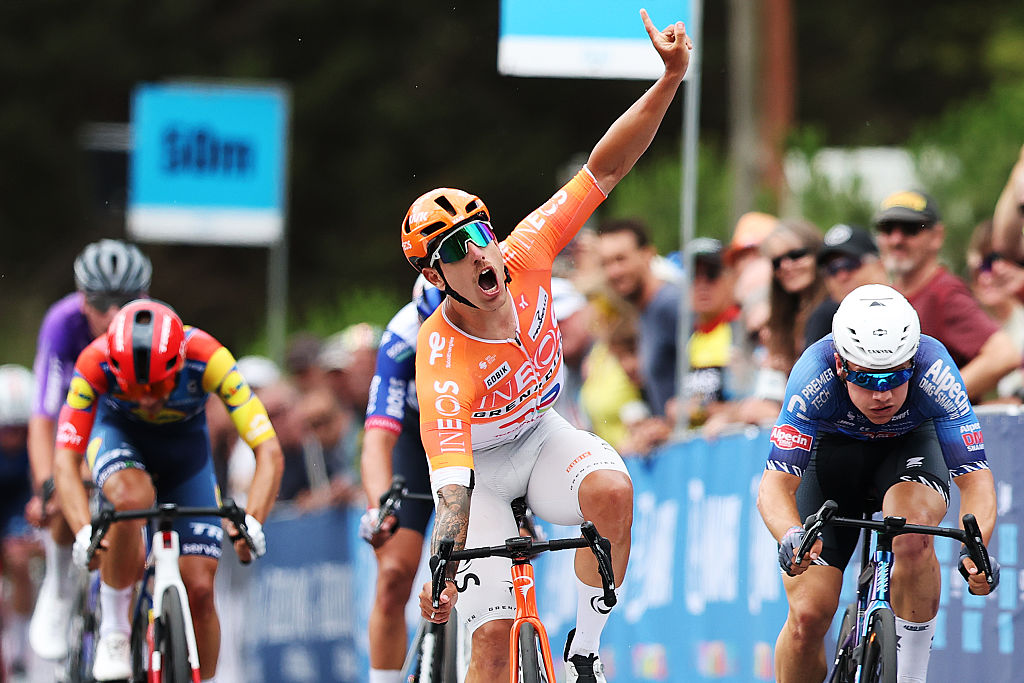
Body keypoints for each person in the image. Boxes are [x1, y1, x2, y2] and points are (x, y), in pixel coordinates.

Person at [402, 11, 692, 683]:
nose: (479, 254)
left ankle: (585, 647)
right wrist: (444, 566)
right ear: (434, 276)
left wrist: (671, 78)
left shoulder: (528, 250)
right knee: (493, 643)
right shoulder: (440, 356)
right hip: (479, 479)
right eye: (454, 250)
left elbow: (606, 169)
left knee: (613, 491)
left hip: (541, 435)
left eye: (480, 234)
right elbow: (451, 497)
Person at [757, 284, 999, 683]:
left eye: (897, 375)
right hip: (832, 460)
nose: (882, 394)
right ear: (840, 365)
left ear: (913, 362)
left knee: (913, 535)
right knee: (807, 617)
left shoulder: (935, 368)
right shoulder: (812, 373)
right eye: (867, 379)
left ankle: (911, 676)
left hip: (909, 450)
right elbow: (774, 486)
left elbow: (976, 480)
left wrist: (978, 548)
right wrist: (790, 535)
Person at [52, 300, 284, 682]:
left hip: (186, 457)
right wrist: (82, 533)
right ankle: (114, 630)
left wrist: (254, 522)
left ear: (179, 363)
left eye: (157, 385)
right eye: (134, 387)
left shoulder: (210, 358)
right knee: (131, 499)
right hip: (119, 439)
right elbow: (65, 460)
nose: (146, 399)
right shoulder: (94, 362)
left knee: (200, 590)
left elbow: (268, 450)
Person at [26, 238, 152, 662]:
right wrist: (45, 484)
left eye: (127, 301)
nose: (115, 314)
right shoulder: (62, 323)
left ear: (145, 297)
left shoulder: (157, 323)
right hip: (76, 420)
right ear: (83, 300)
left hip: (130, 424)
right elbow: (44, 418)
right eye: (102, 303)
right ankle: (60, 586)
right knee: (66, 491)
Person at [358, 275, 444, 683]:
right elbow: (377, 438)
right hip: (417, 439)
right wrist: (380, 508)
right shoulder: (401, 335)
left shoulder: (500, 316)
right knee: (393, 574)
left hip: (481, 436)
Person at [875, 190, 1020, 401]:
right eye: (887, 229)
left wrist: (927, 404)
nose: (896, 239)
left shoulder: (943, 293)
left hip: (937, 433)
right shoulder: (891, 297)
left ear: (937, 236)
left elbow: (1003, 356)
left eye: (910, 229)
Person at [596, 217, 680, 418]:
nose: (613, 272)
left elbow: (710, 376)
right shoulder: (643, 312)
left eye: (620, 259)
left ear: (648, 255)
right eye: (605, 263)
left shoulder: (670, 304)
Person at [0, 365, 41, 676]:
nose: (12, 436)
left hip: (20, 507)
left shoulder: (35, 445)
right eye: (5, 429)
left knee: (17, 557)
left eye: (19, 428)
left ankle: (19, 640)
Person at [802, 223, 887, 348]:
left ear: (879, 265)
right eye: (832, 269)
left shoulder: (907, 306)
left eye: (850, 264)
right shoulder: (826, 319)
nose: (842, 276)